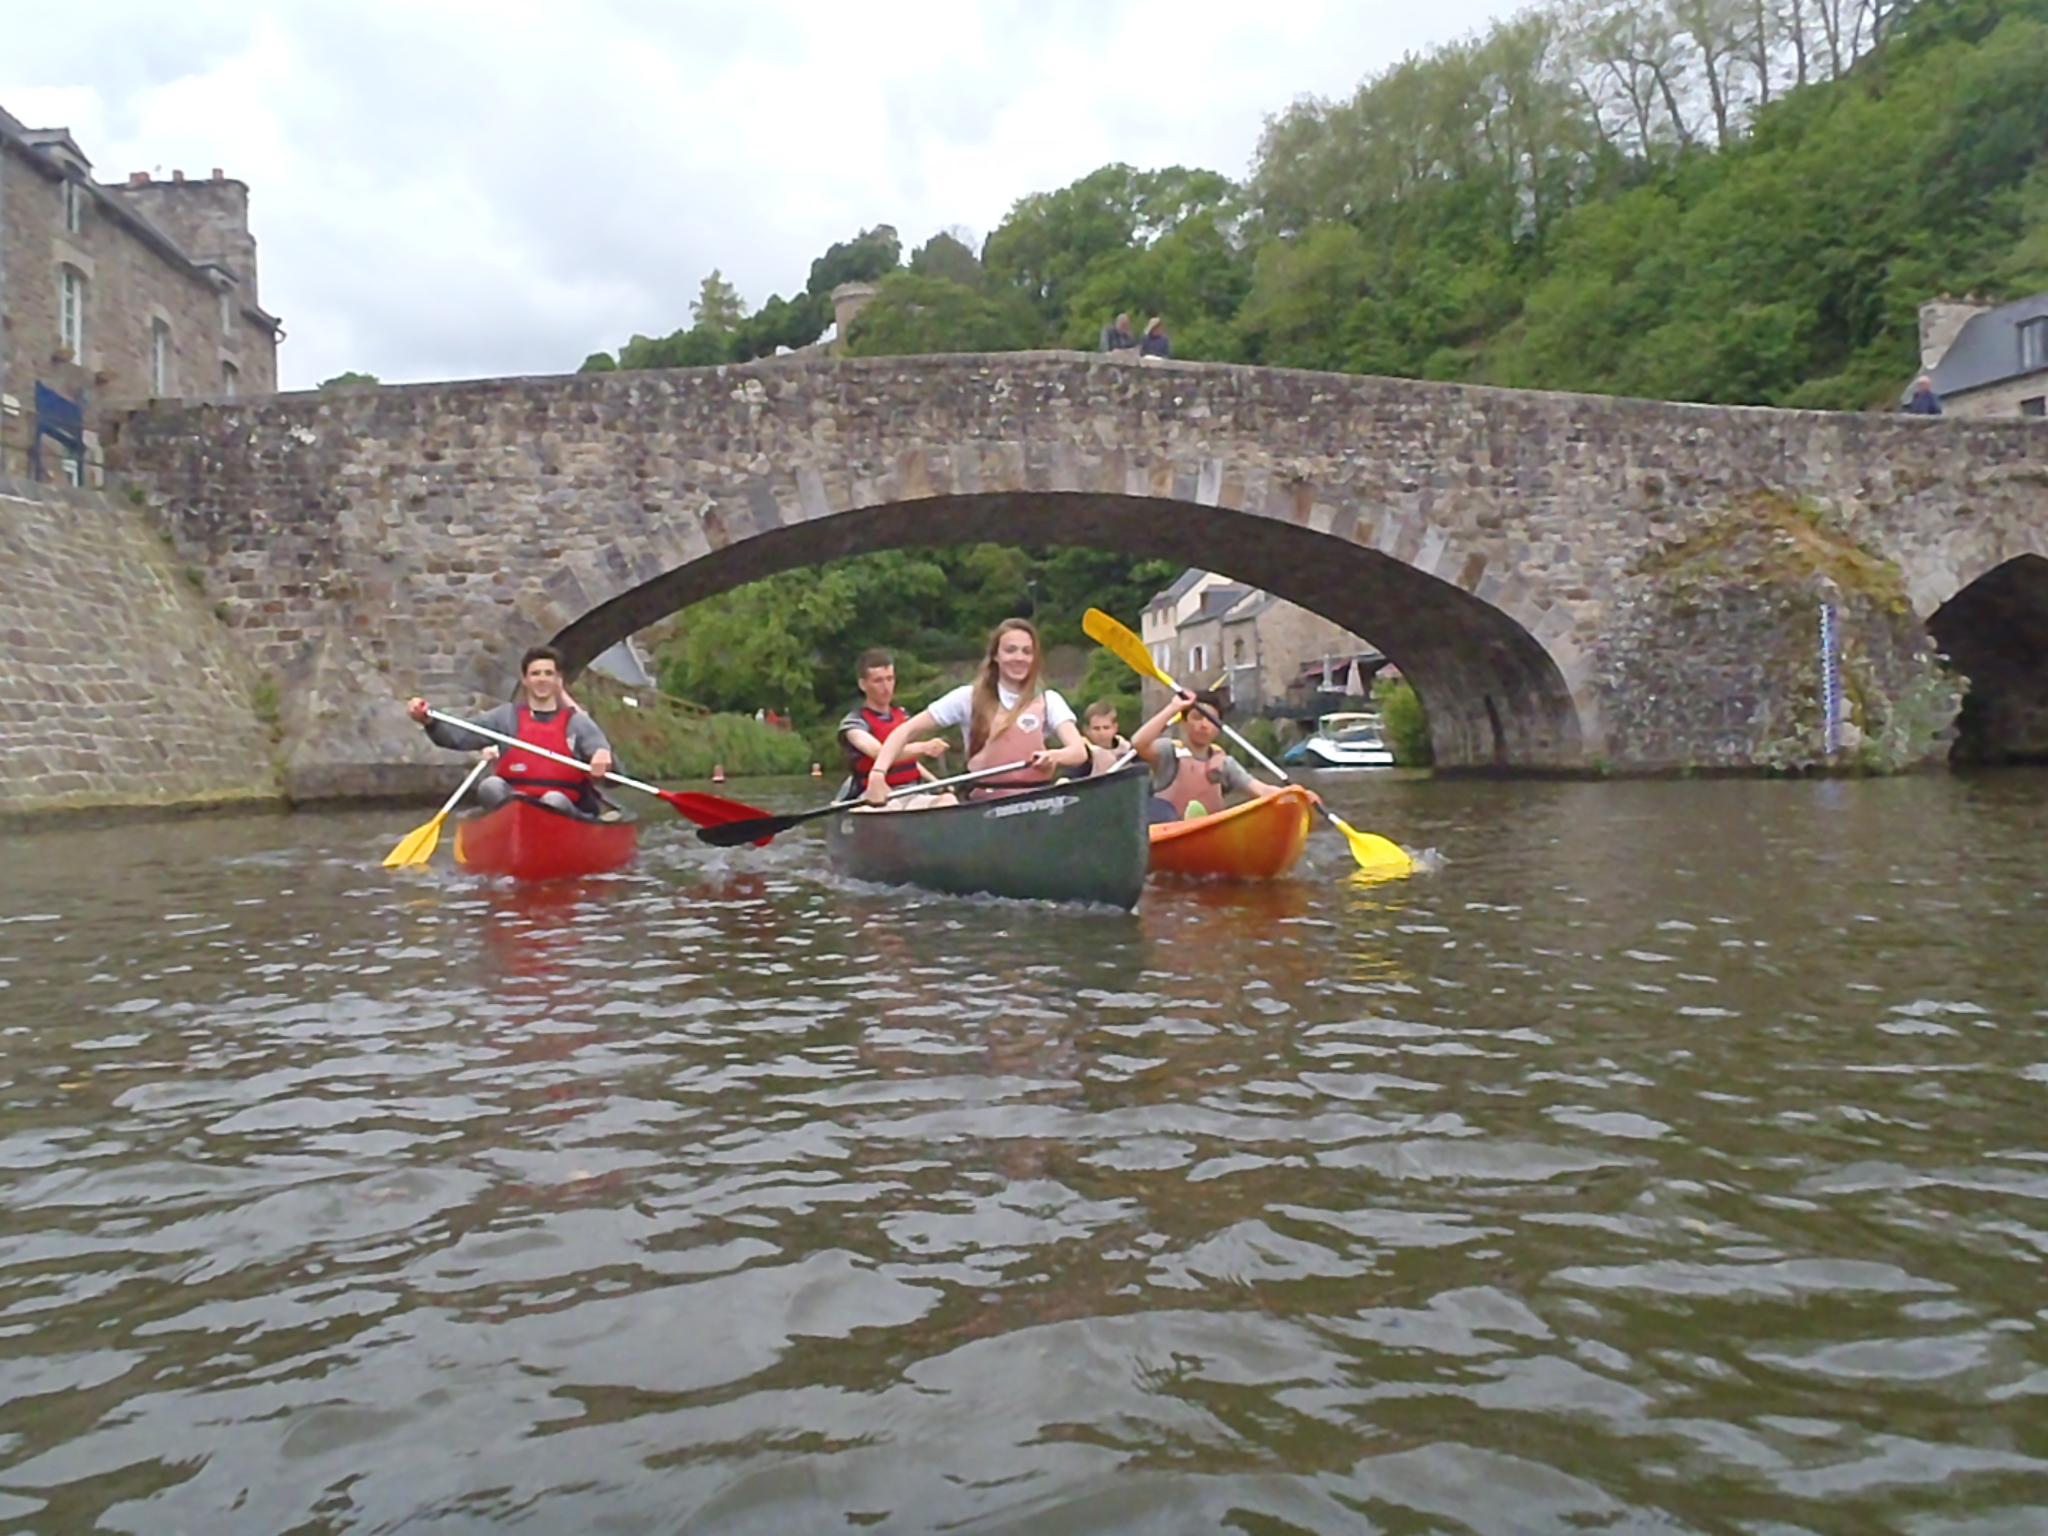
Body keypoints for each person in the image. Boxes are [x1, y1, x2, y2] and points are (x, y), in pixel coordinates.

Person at [863, 618, 1088, 805]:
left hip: (1037, 798)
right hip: (985, 803)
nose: (1019, 658)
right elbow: (906, 732)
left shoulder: (1049, 700)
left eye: (1026, 652)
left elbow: (1078, 751)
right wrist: (878, 773)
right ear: (996, 656)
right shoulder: (966, 698)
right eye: (1010, 650)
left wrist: (1055, 756)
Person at [406, 645, 616, 817]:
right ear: (524, 680)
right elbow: (458, 737)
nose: (542, 679)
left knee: (553, 800)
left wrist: (603, 757)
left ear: (557, 680)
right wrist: (429, 720)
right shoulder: (505, 718)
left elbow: (605, 759)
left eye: (548, 674)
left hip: (564, 808)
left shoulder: (577, 722)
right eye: (535, 674)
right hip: (515, 808)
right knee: (490, 786)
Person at [1130, 688, 1291, 826]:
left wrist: (1295, 795)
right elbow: (1138, 742)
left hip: (1207, 837)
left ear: (1218, 726)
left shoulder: (1224, 764)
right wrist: (1173, 708)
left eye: (1210, 719)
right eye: (1197, 718)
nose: (1204, 725)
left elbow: (1261, 789)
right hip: (1169, 832)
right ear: (1184, 723)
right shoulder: (1169, 752)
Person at [835, 647, 947, 799]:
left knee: (948, 798)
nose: (886, 687)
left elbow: (910, 762)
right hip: (874, 794)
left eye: (890, 679)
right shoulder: (854, 723)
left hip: (911, 789)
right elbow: (879, 753)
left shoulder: (902, 715)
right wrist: (924, 747)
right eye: (878, 681)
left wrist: (938, 784)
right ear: (863, 684)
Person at [1077, 699, 1133, 775]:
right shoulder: (1083, 755)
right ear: (1087, 730)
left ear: (1115, 728)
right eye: (1096, 728)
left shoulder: (1127, 748)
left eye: (1106, 728)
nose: (1102, 733)